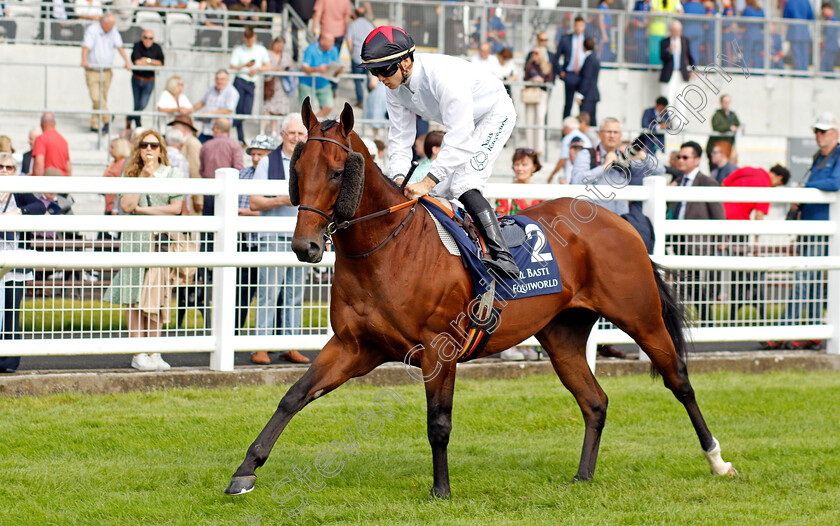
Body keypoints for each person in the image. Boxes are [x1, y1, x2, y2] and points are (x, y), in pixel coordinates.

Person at [360, 25, 520, 279]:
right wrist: (399, 178)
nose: (379, 77)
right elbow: (400, 138)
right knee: (437, 190)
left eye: (383, 70)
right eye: (373, 71)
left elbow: (459, 136)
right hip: (463, 122)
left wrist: (426, 180)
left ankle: (504, 257)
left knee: (464, 182)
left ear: (405, 63)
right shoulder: (393, 88)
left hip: (493, 113)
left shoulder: (442, 76)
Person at [103, 131, 184, 371]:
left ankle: (154, 350)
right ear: (138, 149)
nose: (149, 149)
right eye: (144, 145)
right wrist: (144, 178)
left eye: (154, 145)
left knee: (157, 296)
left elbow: (176, 208)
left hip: (159, 241)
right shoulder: (130, 173)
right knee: (133, 296)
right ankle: (139, 352)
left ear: (161, 149)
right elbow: (127, 206)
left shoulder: (172, 173)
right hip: (134, 241)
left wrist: (144, 211)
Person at [249, 114, 310, 365]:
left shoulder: (310, 159)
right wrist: (282, 199)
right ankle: (260, 346)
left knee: (296, 293)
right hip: (272, 234)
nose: (296, 138)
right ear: (283, 135)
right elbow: (254, 201)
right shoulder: (267, 162)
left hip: (301, 235)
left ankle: (289, 345)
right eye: (292, 133)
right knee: (268, 292)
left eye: (301, 134)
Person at [1, 153, 48, 374]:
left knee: (12, 309)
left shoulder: (19, 192)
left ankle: (9, 361)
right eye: (0, 167)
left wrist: (19, 211)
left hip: (14, 264)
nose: (4, 171)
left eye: (9, 168)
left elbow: (40, 206)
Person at [668, 141, 725, 322]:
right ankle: (686, 321)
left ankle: (704, 319)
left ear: (697, 160)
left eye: (685, 157)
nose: (681, 161)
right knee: (683, 283)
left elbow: (718, 214)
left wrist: (720, 239)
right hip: (679, 241)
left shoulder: (708, 183)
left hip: (698, 241)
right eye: (679, 157)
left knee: (692, 284)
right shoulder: (677, 182)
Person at [497, 147, 543, 361]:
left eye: (524, 164)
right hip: (512, 247)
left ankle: (528, 343)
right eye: (517, 164)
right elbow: (500, 216)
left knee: (532, 296)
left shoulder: (541, 193)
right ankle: (509, 345)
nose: (520, 168)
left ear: (534, 167)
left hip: (533, 249)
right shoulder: (506, 190)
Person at [236, 135, 275, 337]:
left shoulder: (274, 173)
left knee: (270, 292)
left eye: (260, 154)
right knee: (241, 291)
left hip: (266, 240)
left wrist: (250, 212)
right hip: (245, 242)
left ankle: (273, 338)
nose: (256, 158)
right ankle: (234, 334)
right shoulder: (243, 174)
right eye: (253, 154)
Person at [81, 13, 131, 133]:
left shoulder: (113, 30)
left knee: (101, 98)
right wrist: (84, 59)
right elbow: (86, 46)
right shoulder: (92, 30)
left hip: (107, 71)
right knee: (96, 97)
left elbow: (119, 46)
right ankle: (107, 117)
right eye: (111, 25)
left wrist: (127, 61)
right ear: (104, 23)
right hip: (93, 70)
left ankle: (94, 124)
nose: (112, 27)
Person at [229, 27, 271, 145]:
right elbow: (232, 66)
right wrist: (245, 66)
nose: (249, 41)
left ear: (255, 37)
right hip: (240, 81)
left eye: (251, 38)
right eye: (247, 39)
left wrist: (257, 69)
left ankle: (227, 126)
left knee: (246, 112)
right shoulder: (238, 50)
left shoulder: (261, 49)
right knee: (239, 111)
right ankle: (241, 137)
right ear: (244, 38)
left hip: (251, 83)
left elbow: (268, 65)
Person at [199, 118, 244, 215]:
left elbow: (201, 170)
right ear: (229, 131)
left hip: (209, 189)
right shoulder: (234, 145)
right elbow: (239, 168)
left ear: (215, 129)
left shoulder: (206, 145)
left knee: (208, 223)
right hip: (228, 190)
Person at [299, 33, 344, 119]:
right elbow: (304, 68)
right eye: (330, 41)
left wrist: (339, 70)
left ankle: (312, 123)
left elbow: (336, 66)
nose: (333, 44)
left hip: (323, 83)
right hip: (307, 83)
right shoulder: (310, 49)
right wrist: (318, 69)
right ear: (322, 41)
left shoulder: (334, 50)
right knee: (307, 111)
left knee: (328, 107)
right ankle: (309, 124)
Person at [722, 164, 789, 220]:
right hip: (739, 222)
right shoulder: (766, 187)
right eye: (777, 185)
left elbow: (723, 184)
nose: (774, 187)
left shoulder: (746, 169)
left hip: (720, 215)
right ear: (780, 178)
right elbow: (758, 216)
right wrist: (757, 235)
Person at [166, 115, 203, 215]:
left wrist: (198, 199)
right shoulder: (186, 142)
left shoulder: (192, 143)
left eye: (175, 127)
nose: (173, 130)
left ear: (185, 128)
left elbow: (195, 171)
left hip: (188, 198)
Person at [129, 29, 164, 130]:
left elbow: (161, 63)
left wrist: (147, 60)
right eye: (146, 38)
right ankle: (138, 124)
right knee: (137, 103)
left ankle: (130, 117)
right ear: (142, 38)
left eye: (150, 38)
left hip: (149, 80)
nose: (148, 40)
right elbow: (137, 62)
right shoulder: (137, 46)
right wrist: (152, 62)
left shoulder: (157, 48)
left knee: (142, 104)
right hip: (137, 79)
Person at [192, 69, 240, 143]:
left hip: (220, 133)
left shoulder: (232, 92)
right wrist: (191, 110)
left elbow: (228, 110)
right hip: (207, 130)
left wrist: (209, 114)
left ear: (227, 80)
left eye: (222, 79)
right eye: (217, 79)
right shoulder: (211, 89)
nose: (219, 81)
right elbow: (202, 102)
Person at [522, 44, 553, 157]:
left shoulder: (547, 65)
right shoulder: (529, 65)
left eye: (536, 53)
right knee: (529, 120)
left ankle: (539, 149)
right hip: (531, 94)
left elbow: (549, 80)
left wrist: (541, 80)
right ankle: (530, 147)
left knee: (540, 120)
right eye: (533, 53)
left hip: (541, 94)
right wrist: (532, 79)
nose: (533, 55)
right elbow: (524, 78)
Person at [262, 36, 294, 136]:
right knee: (267, 109)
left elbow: (291, 67)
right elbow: (264, 67)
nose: (280, 47)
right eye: (278, 45)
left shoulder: (285, 55)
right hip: (270, 84)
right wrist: (276, 69)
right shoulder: (267, 54)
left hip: (282, 85)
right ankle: (262, 131)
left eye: (281, 46)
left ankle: (274, 132)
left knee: (277, 111)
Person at [556, 16, 587, 119]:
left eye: (580, 25)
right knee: (568, 104)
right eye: (576, 25)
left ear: (584, 26)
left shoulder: (587, 39)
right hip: (569, 74)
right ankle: (565, 129)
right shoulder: (566, 39)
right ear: (574, 26)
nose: (578, 28)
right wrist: (561, 73)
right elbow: (556, 58)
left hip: (582, 76)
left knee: (583, 104)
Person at [345, 6, 375, 108]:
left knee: (357, 80)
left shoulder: (352, 25)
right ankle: (372, 97)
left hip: (357, 56)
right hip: (369, 57)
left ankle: (360, 100)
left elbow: (349, 40)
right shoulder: (370, 25)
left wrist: (351, 53)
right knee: (369, 78)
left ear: (355, 15)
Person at [659, 20, 694, 108]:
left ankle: (680, 122)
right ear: (671, 31)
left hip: (681, 73)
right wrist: (669, 51)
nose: (677, 32)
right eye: (675, 30)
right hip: (669, 74)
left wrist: (692, 70)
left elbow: (689, 56)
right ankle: (668, 120)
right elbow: (662, 57)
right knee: (668, 98)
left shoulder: (684, 41)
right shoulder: (665, 42)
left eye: (679, 30)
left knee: (681, 100)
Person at [548, 116, 592, 184]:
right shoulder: (585, 137)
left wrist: (552, 175)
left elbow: (563, 159)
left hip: (574, 172)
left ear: (567, 127)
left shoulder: (568, 138)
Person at [32, 112, 72, 177]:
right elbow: (68, 167)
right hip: (62, 181)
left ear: (41, 124)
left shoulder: (41, 139)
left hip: (48, 181)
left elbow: (39, 164)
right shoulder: (63, 141)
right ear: (55, 123)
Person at [706, 94, 740, 166]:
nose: (726, 104)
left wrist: (739, 128)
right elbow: (716, 126)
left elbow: (738, 125)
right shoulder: (717, 115)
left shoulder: (732, 115)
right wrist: (729, 128)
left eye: (728, 102)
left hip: (728, 146)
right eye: (725, 101)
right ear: (721, 103)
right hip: (717, 144)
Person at [784, 0, 816, 71]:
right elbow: (812, 17)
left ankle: (798, 72)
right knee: (805, 54)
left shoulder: (789, 3)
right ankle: (804, 72)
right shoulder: (806, 2)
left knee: (796, 54)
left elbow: (785, 18)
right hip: (804, 32)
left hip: (794, 32)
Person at [102, 137, 131, 215]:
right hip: (109, 205)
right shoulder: (115, 163)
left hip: (116, 207)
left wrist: (115, 208)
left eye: (112, 147)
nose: (110, 150)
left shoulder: (123, 164)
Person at [649, 0, 683, 65]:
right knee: (664, 52)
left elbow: (651, 14)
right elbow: (681, 12)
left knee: (658, 53)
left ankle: (656, 68)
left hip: (657, 30)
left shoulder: (655, 1)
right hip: (667, 31)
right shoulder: (675, 1)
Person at [576, 37, 600, 125]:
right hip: (592, 95)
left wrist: (580, 94)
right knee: (592, 121)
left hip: (588, 95)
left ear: (584, 47)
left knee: (585, 120)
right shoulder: (594, 58)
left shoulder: (589, 59)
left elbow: (587, 78)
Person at [741, 0, 765, 69]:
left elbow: (741, 23)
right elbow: (763, 25)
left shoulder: (747, 9)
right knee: (757, 54)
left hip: (749, 34)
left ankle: (746, 70)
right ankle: (757, 71)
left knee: (747, 53)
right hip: (759, 35)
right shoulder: (760, 10)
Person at [681, 0, 705, 67]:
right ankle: (694, 69)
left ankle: (686, 68)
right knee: (695, 52)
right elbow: (705, 22)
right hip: (698, 31)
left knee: (685, 51)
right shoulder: (701, 7)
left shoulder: (685, 6)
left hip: (686, 31)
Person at [821, 2, 839, 73]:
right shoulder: (827, 20)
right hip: (828, 46)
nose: (824, 12)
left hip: (830, 46)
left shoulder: (834, 20)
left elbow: (830, 34)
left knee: (827, 65)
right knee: (827, 65)